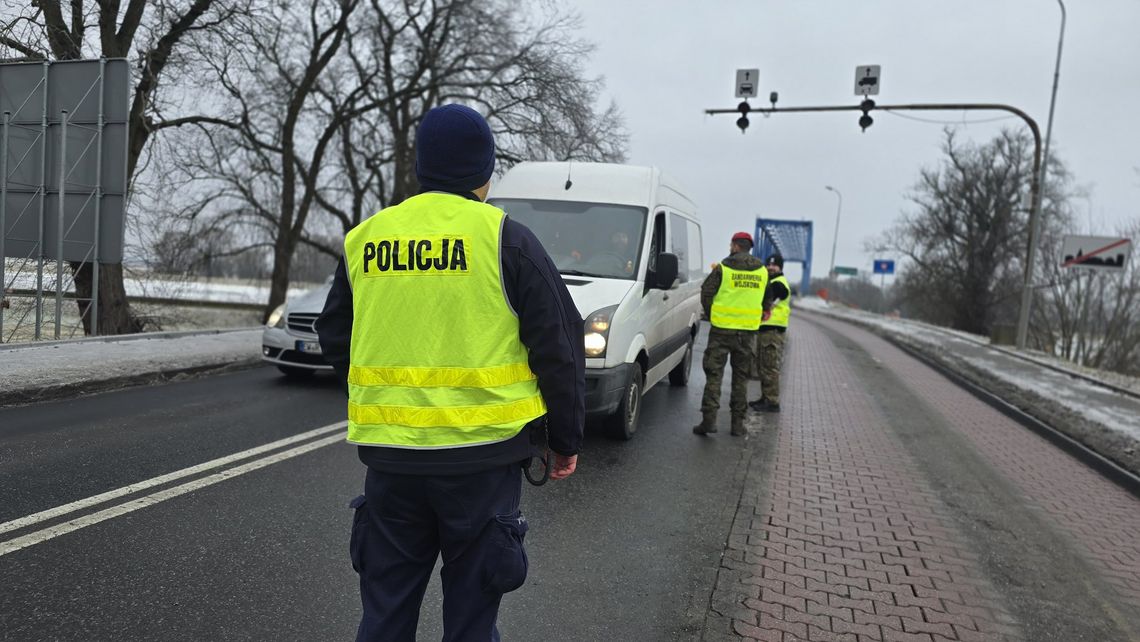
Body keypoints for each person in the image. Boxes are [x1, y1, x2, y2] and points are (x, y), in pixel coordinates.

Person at [316, 103, 585, 642]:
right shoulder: (506, 239)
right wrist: (565, 439)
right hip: (482, 468)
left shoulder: (368, 238)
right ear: (484, 173)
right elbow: (559, 345)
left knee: (385, 613)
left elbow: (334, 335)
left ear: (422, 167)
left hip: (392, 465)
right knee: (471, 619)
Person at [693, 231, 768, 437]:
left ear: (735, 246)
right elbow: (767, 300)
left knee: (714, 375)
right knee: (741, 379)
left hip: (721, 331)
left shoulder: (723, 268)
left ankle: (709, 421)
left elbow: (706, 292)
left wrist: (712, 314)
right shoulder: (762, 271)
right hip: (747, 334)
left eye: (731, 245)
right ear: (749, 247)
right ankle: (737, 425)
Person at [750, 254, 790, 413]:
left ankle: (772, 401)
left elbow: (767, 303)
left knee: (770, 367)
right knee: (763, 366)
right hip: (766, 329)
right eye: (769, 265)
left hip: (773, 332)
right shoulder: (771, 282)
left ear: (780, 268)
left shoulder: (779, 284)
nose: (771, 267)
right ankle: (765, 397)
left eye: (775, 266)